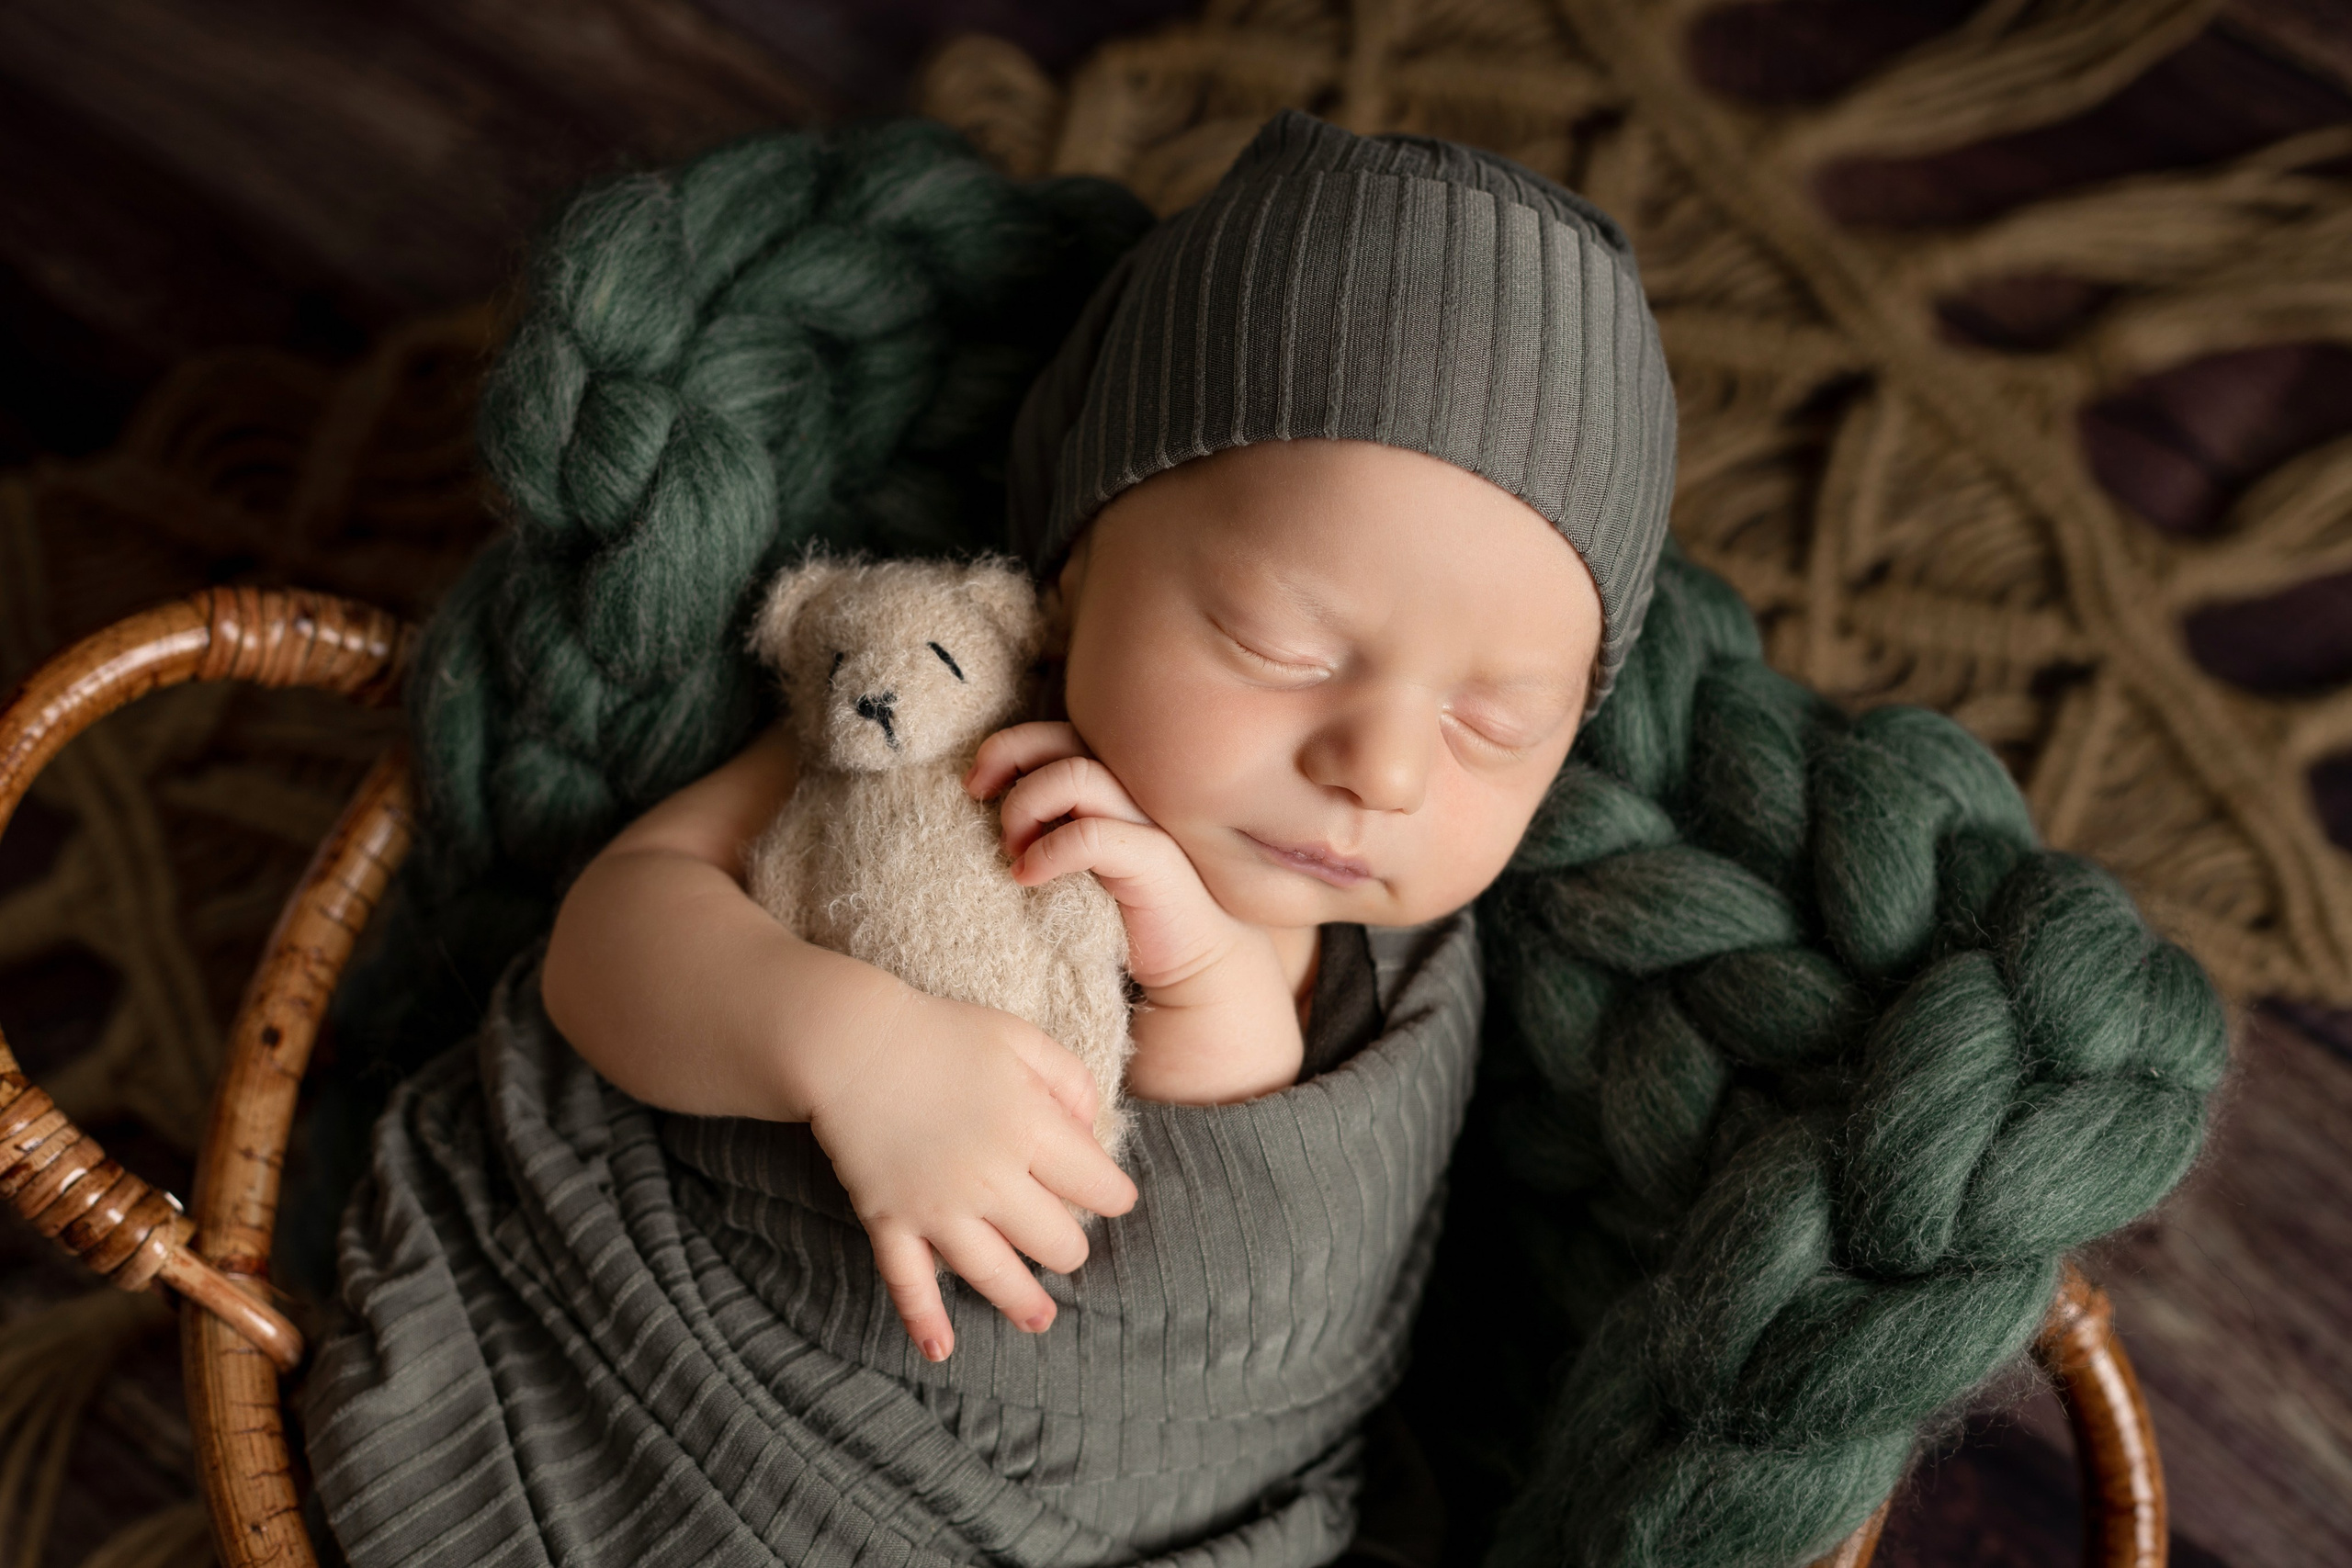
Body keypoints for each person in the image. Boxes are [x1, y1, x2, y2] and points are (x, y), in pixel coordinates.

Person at [305, 109, 1676, 1568]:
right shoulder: (932, 707)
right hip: (660, 1393)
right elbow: (611, 939)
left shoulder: (1403, 959)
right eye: (1281, 643)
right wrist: (847, 1045)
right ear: (1074, 572)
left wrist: (1207, 983)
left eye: (1499, 724)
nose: (1383, 767)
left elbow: (1268, 1239)